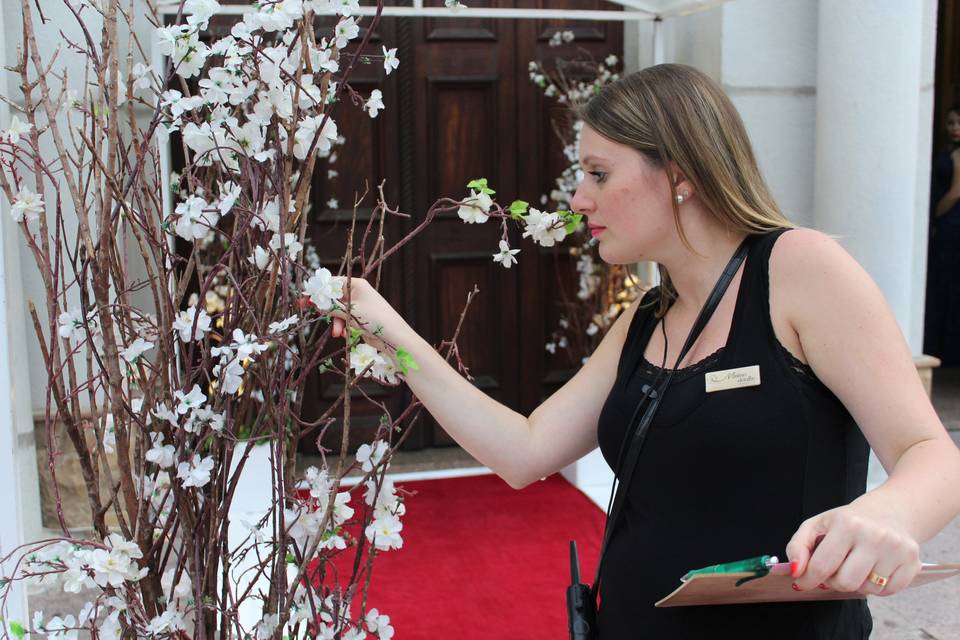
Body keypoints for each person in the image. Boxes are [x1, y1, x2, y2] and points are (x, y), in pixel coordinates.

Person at [329, 64, 960, 638]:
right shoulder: (646, 315)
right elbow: (522, 452)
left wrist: (887, 514)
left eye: (599, 174)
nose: (578, 200)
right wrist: (390, 333)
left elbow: (932, 456)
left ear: (681, 174)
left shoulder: (800, 268)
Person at [924, 106, 960, 365]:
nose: (955, 127)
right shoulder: (948, 153)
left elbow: (956, 191)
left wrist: (935, 214)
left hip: (952, 222)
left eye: (959, 123)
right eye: (951, 122)